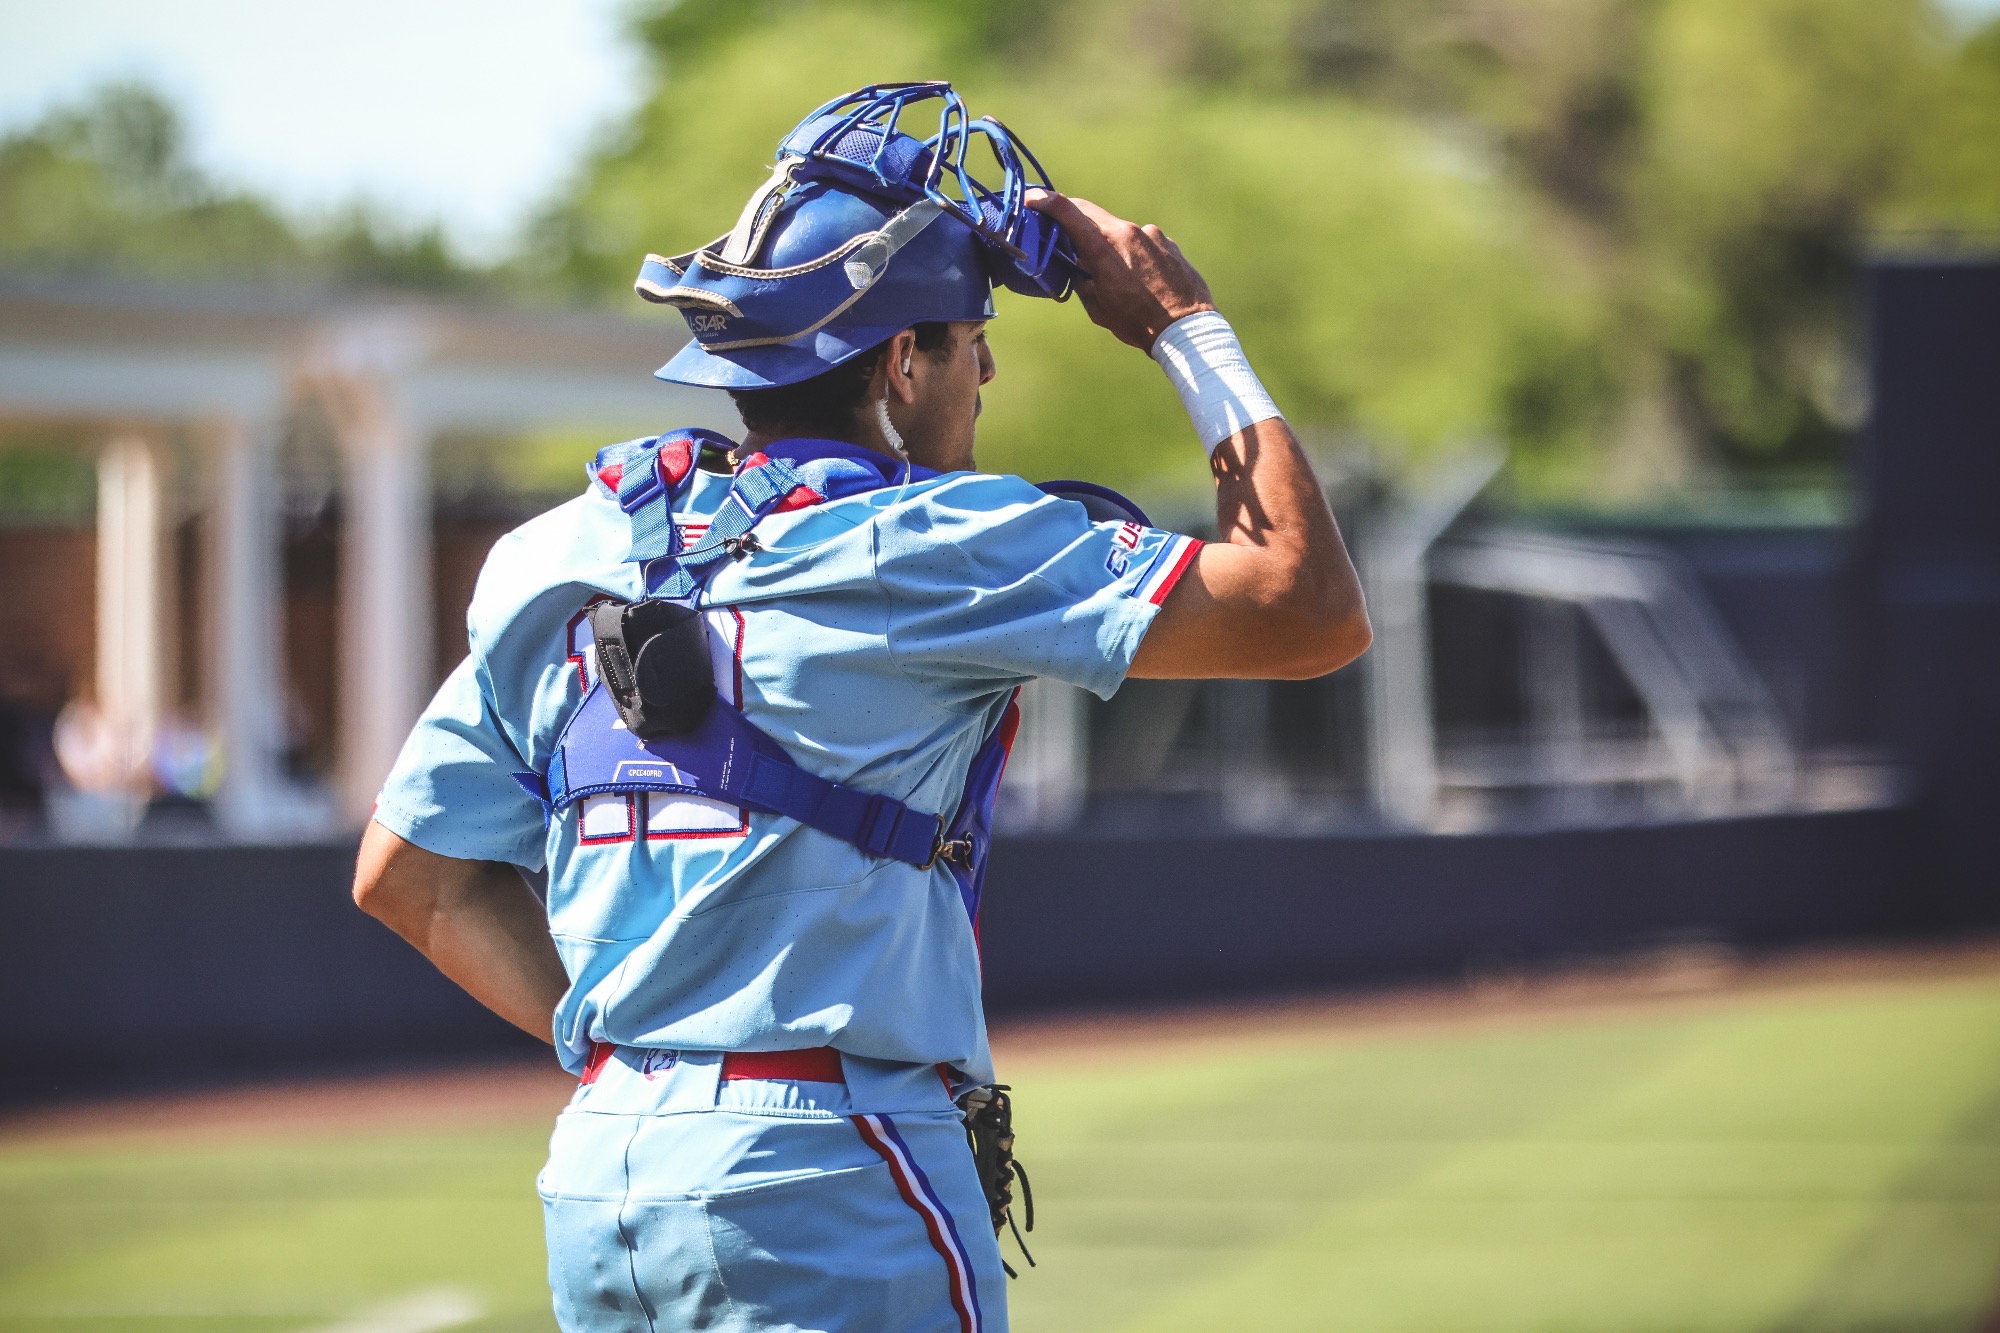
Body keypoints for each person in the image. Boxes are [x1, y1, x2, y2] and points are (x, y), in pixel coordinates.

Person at [353, 82, 1369, 1333]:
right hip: (833, 1174)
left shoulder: (553, 553)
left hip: (603, 1171)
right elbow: (1304, 605)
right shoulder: (934, 543)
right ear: (900, 363)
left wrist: (653, 1070)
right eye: (967, 331)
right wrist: (1183, 327)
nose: (986, 364)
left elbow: (411, 879)